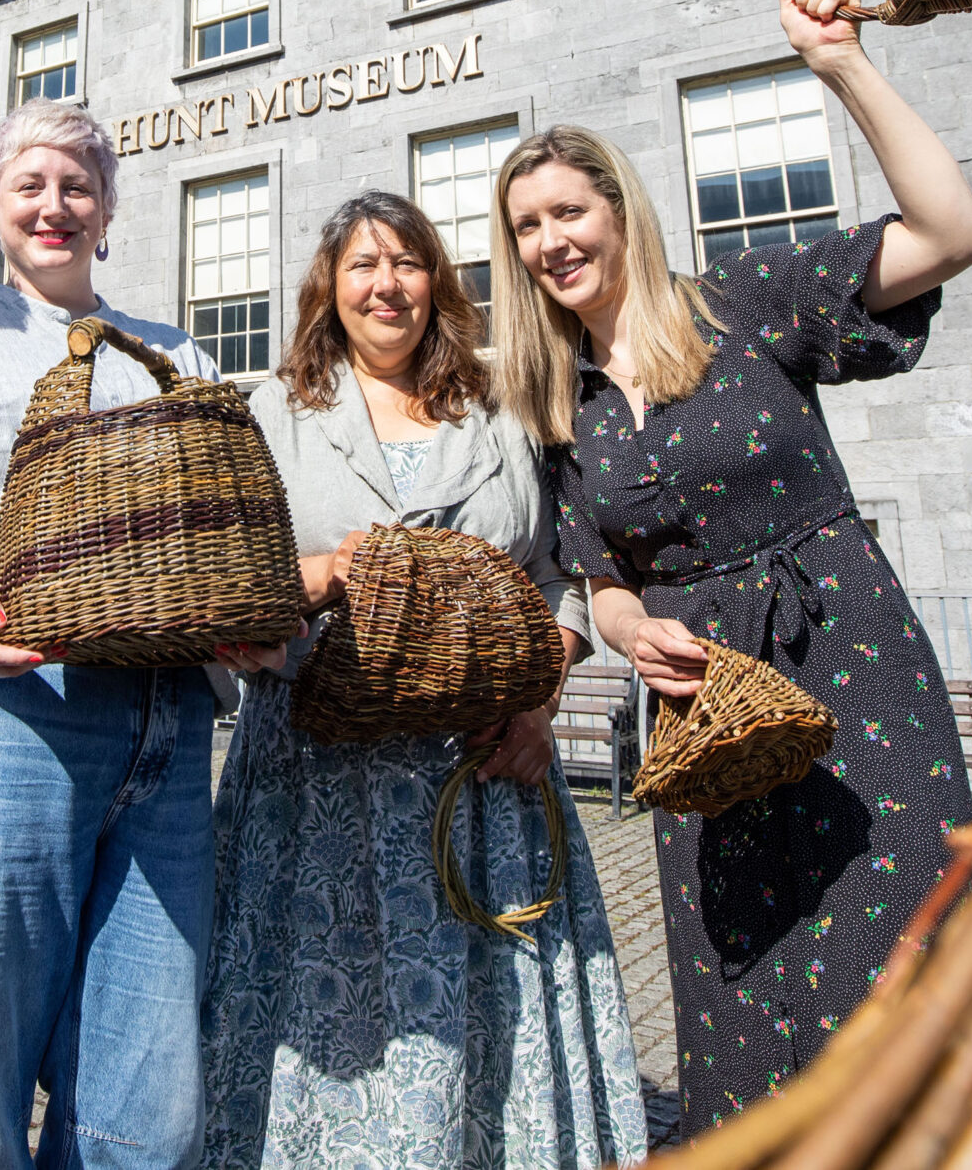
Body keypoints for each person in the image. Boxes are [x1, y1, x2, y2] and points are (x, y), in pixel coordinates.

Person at [490, 0, 972, 1139]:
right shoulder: (557, 401)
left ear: (618, 209)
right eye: (526, 227)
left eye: (569, 210)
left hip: (852, 668)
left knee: (900, 969)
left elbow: (953, 230)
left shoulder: (747, 301)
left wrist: (840, 65)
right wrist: (625, 630)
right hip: (704, 713)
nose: (552, 240)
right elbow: (594, 575)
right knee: (744, 1007)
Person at [0, 98, 279, 1170]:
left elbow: (223, 545)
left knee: (148, 1116)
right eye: (29, 185)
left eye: (77, 185)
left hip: (167, 736)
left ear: (109, 211)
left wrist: (250, 629)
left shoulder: (177, 355)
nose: (54, 205)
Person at [203, 192, 649, 1170]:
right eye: (362, 265)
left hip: (478, 780)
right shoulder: (269, 414)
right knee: (324, 1016)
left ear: (437, 282)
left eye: (406, 262)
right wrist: (312, 588)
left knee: (486, 1015)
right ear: (329, 287)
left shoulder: (500, 408)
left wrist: (539, 706)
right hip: (312, 781)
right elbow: (228, 583)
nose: (385, 283)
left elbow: (558, 577)